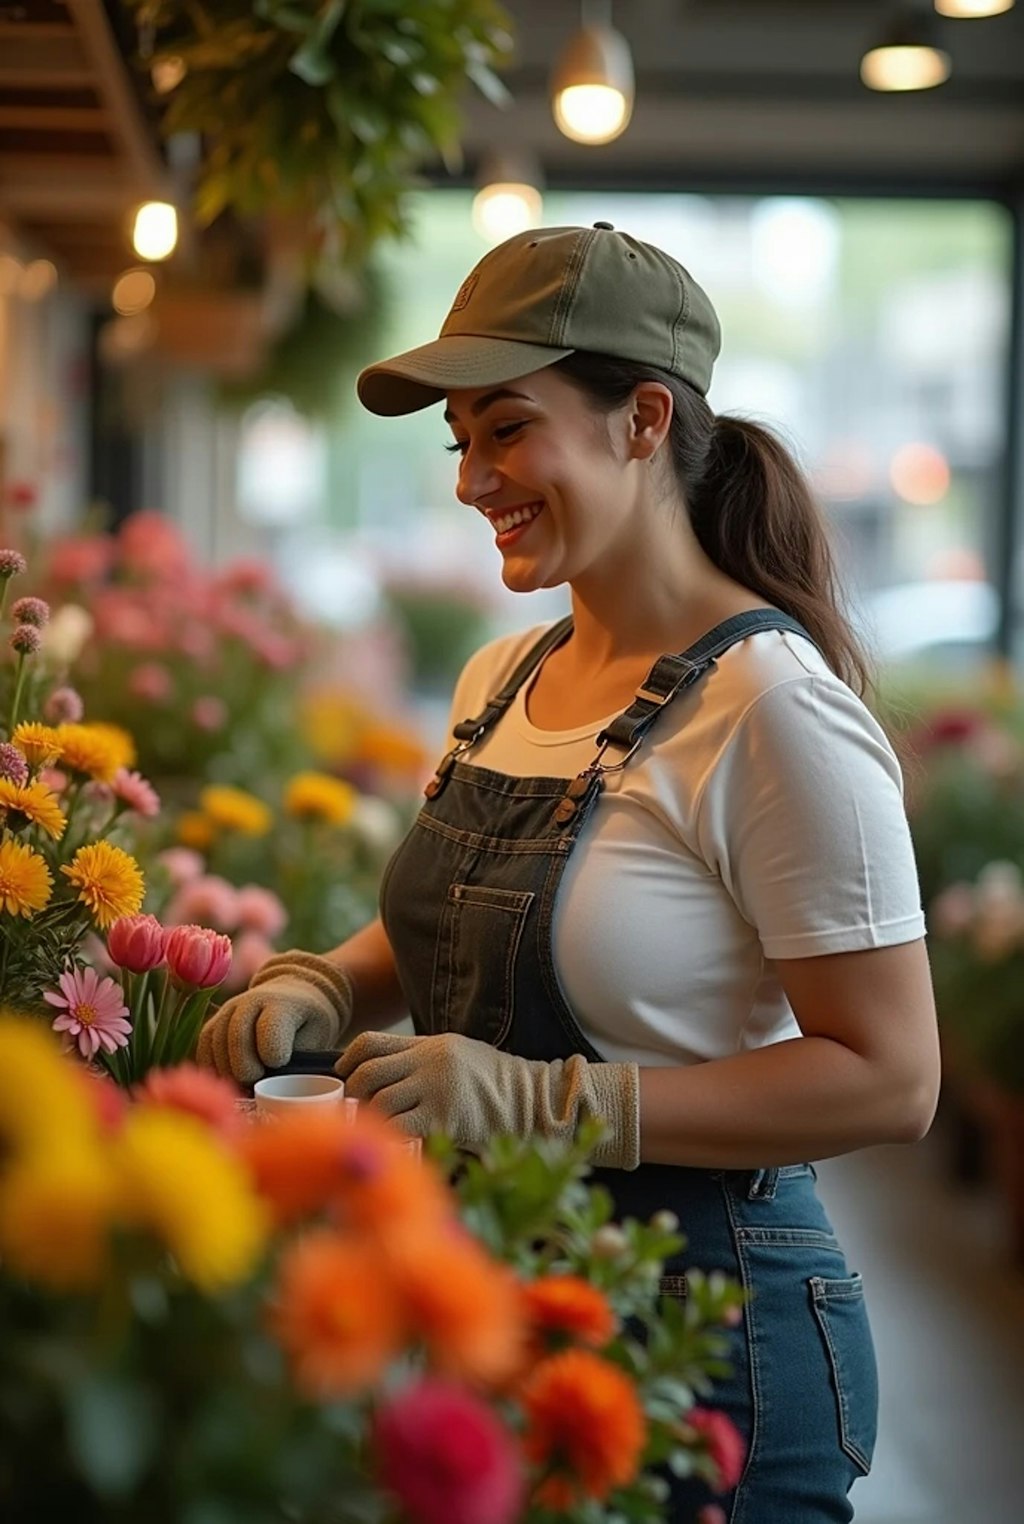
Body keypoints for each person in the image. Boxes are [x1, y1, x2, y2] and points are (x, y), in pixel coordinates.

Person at [198, 222, 941, 1521]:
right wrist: (325, 986)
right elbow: (454, 932)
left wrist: (546, 1105)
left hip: (710, 1347)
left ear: (642, 420)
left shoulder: (774, 712)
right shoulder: (505, 681)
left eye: (507, 429)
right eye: (462, 443)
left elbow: (892, 1077)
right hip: (501, 1298)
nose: (475, 479)